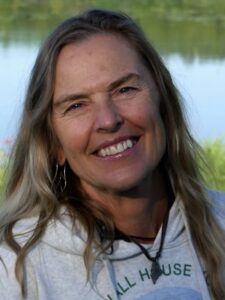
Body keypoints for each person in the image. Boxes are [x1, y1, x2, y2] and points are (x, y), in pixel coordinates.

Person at [0, 9, 225, 300]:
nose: (108, 120)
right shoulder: (14, 269)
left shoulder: (219, 222)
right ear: (53, 144)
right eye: (77, 105)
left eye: (125, 89)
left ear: (164, 105)